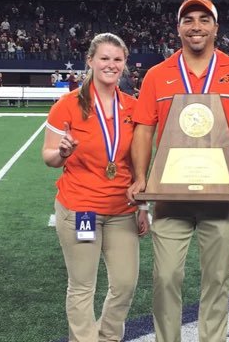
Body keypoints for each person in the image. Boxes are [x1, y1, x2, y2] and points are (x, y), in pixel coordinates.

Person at [127, 0, 229, 342]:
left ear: (216, 28)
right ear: (178, 28)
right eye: (189, 20)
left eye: (204, 19)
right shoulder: (159, 74)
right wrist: (141, 177)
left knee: (218, 279)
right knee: (166, 277)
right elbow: (144, 128)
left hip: (223, 193)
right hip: (170, 194)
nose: (196, 26)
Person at [42, 33, 149, 342]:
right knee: (82, 285)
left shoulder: (133, 107)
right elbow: (48, 157)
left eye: (118, 59)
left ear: (125, 65)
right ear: (89, 61)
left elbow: (137, 163)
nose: (111, 65)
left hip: (121, 211)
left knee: (125, 283)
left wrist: (142, 206)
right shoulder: (67, 106)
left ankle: (108, 337)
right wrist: (62, 153)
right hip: (82, 210)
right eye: (104, 58)